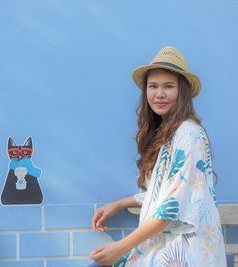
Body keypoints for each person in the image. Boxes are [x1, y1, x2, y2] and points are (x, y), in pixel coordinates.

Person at [89, 46, 226, 266]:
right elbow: (166, 190)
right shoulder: (168, 134)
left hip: (186, 254)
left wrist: (121, 247)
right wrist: (120, 204)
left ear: (182, 92)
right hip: (163, 248)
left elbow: (172, 206)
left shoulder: (189, 134)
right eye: (153, 86)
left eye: (168, 86)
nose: (159, 94)